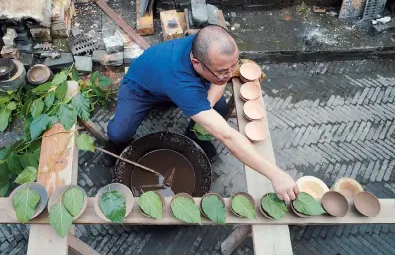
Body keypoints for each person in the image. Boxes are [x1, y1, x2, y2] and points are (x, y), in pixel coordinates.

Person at [106, 25, 299, 201]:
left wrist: (206, 105)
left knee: (219, 109)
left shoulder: (209, 43)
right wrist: (275, 174)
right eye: (223, 70)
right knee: (118, 133)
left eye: (234, 64)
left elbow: (219, 81)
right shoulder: (181, 83)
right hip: (142, 90)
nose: (231, 74)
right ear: (197, 64)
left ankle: (194, 138)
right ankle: (119, 145)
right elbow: (228, 136)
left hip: (176, 87)